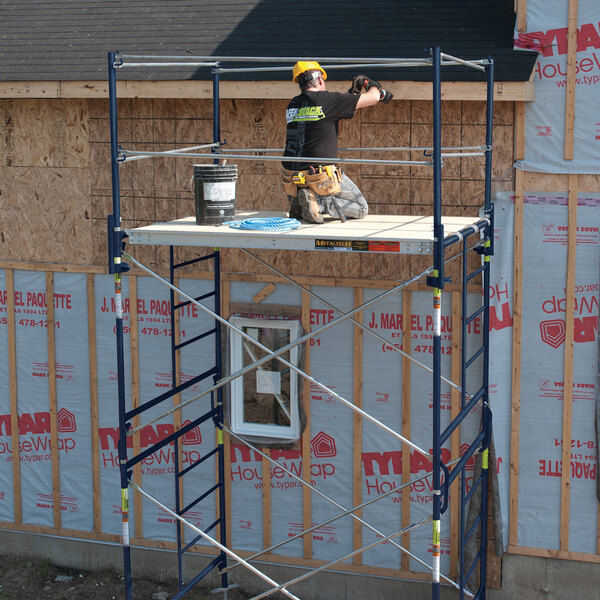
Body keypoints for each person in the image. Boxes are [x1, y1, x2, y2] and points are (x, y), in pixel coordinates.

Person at [281, 61, 393, 223]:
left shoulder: (293, 104)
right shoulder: (329, 101)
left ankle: (301, 201)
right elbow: (374, 97)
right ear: (319, 79)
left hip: (292, 178)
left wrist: (353, 92)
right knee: (361, 207)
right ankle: (317, 203)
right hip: (318, 176)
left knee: (308, 186)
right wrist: (370, 84)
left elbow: (334, 108)